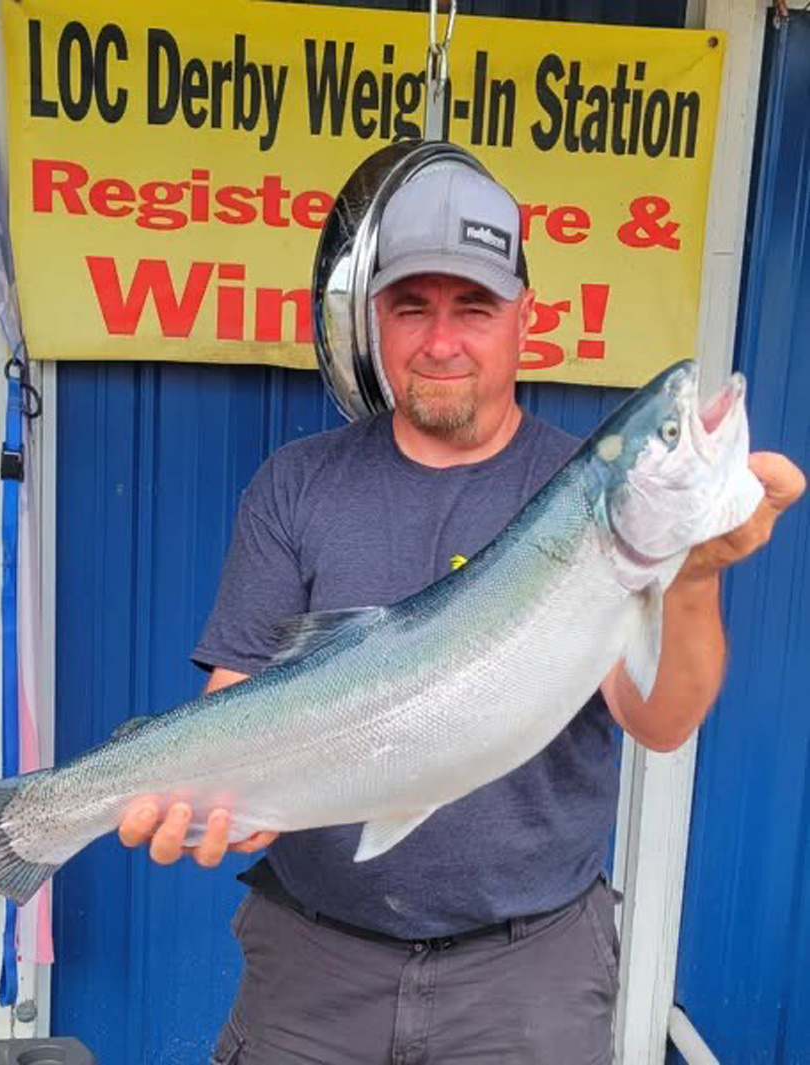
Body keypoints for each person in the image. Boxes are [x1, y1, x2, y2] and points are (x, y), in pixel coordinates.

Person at [119, 161, 805, 1064]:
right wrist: (215, 795)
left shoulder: (582, 505)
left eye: (474, 308)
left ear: (526, 317)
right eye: (413, 307)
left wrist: (695, 574)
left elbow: (662, 721)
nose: (441, 341)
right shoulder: (296, 485)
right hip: (314, 971)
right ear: (376, 318)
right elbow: (240, 695)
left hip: (527, 978)